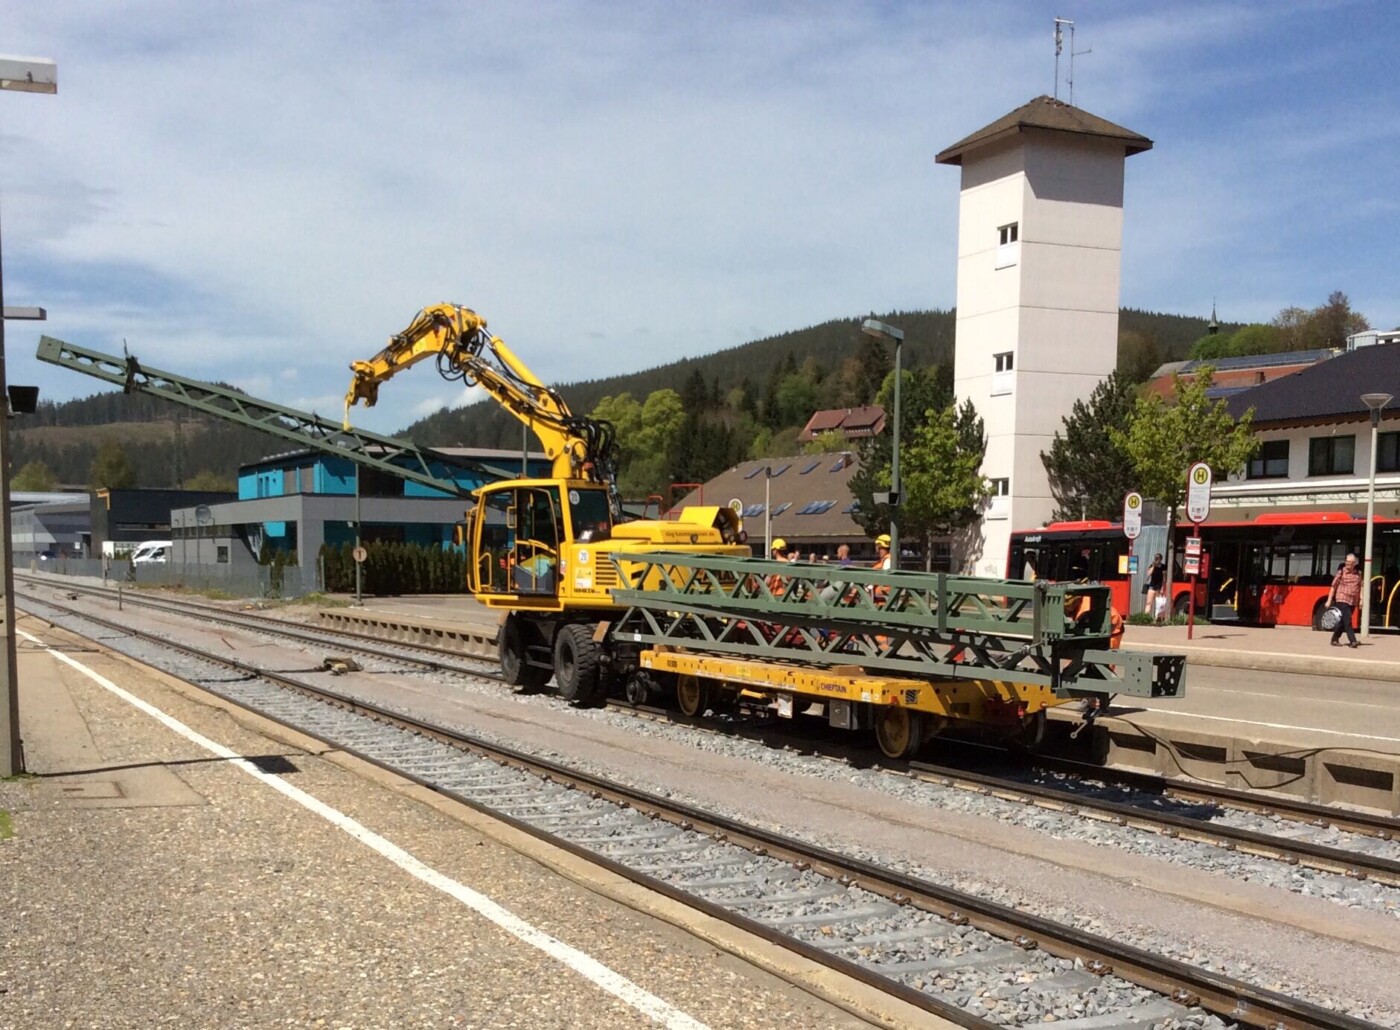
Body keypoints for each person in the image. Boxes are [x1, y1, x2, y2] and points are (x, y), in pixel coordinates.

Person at [1327, 553, 1363, 648]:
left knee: (1343, 621)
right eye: (1346, 561)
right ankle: (1353, 641)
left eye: (1349, 562)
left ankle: (1334, 639)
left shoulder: (1358, 573)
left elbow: (1361, 586)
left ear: (1354, 563)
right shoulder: (1341, 572)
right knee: (1347, 620)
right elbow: (1333, 586)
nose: (1347, 564)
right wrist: (1329, 600)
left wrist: (1361, 599)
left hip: (1353, 600)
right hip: (1342, 598)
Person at [1145, 553, 1166, 623]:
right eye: (1155, 558)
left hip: (1159, 586)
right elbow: (1148, 574)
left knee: (1158, 603)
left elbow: (1164, 577)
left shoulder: (1163, 566)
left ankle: (1157, 618)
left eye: (1158, 558)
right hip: (1152, 585)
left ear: (1161, 559)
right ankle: (1145, 617)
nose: (1156, 559)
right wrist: (1153, 566)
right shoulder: (1152, 565)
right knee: (1149, 602)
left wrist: (1163, 587)